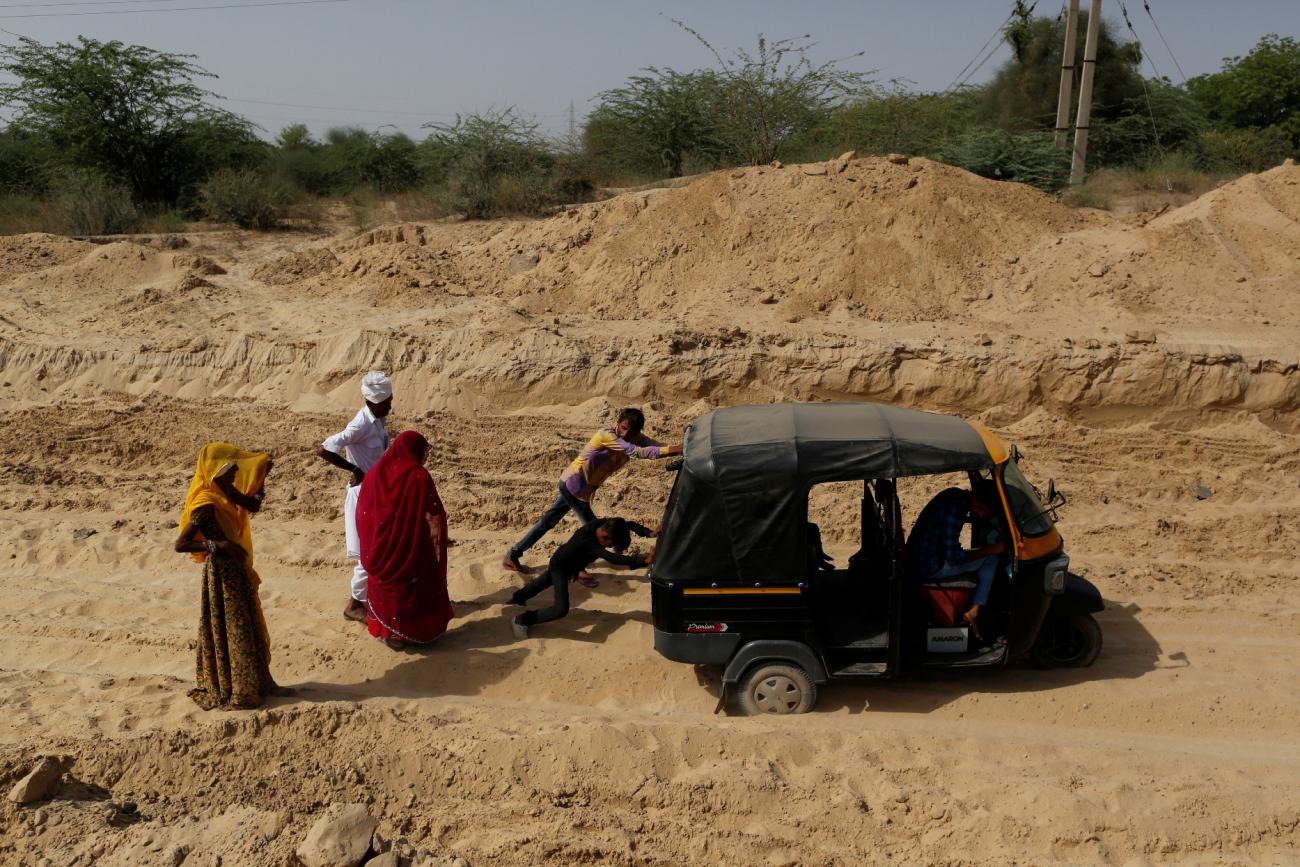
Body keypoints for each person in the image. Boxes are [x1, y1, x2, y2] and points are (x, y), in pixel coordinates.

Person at [502, 408, 681, 575]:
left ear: (638, 432)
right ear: (617, 423)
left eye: (631, 432)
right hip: (573, 486)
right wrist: (680, 449)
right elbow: (636, 452)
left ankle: (514, 554)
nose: (625, 434)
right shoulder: (607, 435)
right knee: (595, 534)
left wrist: (680, 449)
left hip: (582, 490)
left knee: (548, 521)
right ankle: (578, 568)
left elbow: (657, 448)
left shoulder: (636, 438)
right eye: (623, 428)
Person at [175, 443, 275, 710]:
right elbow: (181, 544)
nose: (234, 476)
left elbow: (251, 505)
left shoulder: (225, 491)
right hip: (221, 574)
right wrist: (217, 545)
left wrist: (262, 478)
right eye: (229, 471)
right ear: (213, 472)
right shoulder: (205, 504)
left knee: (245, 625)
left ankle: (254, 684)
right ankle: (237, 690)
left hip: (237, 570)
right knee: (233, 629)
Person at [355, 430, 454, 650]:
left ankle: (391, 633)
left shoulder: (375, 474)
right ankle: (411, 633)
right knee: (410, 587)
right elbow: (433, 513)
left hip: (379, 548)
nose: (425, 456)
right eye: (423, 450)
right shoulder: (419, 477)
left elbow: (365, 512)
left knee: (392, 590)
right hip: (409, 546)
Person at [318, 371, 392, 624]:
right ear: (374, 402)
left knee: (377, 548)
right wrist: (354, 470)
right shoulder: (360, 424)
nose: (390, 406)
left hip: (376, 492)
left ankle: (367, 598)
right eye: (387, 403)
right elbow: (325, 448)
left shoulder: (377, 421)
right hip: (362, 495)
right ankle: (354, 605)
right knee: (365, 553)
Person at [509, 517, 655, 638]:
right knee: (560, 609)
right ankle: (522, 620)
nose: (610, 547)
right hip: (561, 567)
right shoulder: (587, 541)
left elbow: (628, 524)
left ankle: (516, 598)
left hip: (570, 563)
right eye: (610, 544)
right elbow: (612, 558)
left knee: (542, 583)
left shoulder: (602, 524)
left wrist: (649, 532)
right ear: (605, 536)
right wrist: (643, 561)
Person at [905, 484, 1005, 638]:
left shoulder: (955, 495)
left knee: (983, 554)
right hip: (929, 567)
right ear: (975, 498)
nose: (980, 514)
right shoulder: (955, 511)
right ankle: (974, 611)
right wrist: (992, 549)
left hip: (921, 558)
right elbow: (955, 558)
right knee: (991, 559)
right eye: (980, 508)